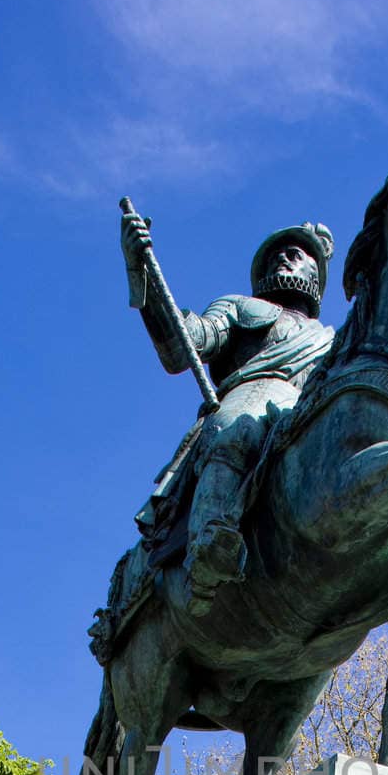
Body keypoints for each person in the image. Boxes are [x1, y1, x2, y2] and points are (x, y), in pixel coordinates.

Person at [121, 209, 335, 613]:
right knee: (237, 426)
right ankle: (210, 543)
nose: (283, 258)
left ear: (316, 272)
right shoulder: (240, 307)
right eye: (277, 253)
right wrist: (143, 279)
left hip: (307, 419)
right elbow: (183, 347)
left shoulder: (334, 341)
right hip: (250, 400)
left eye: (296, 253)